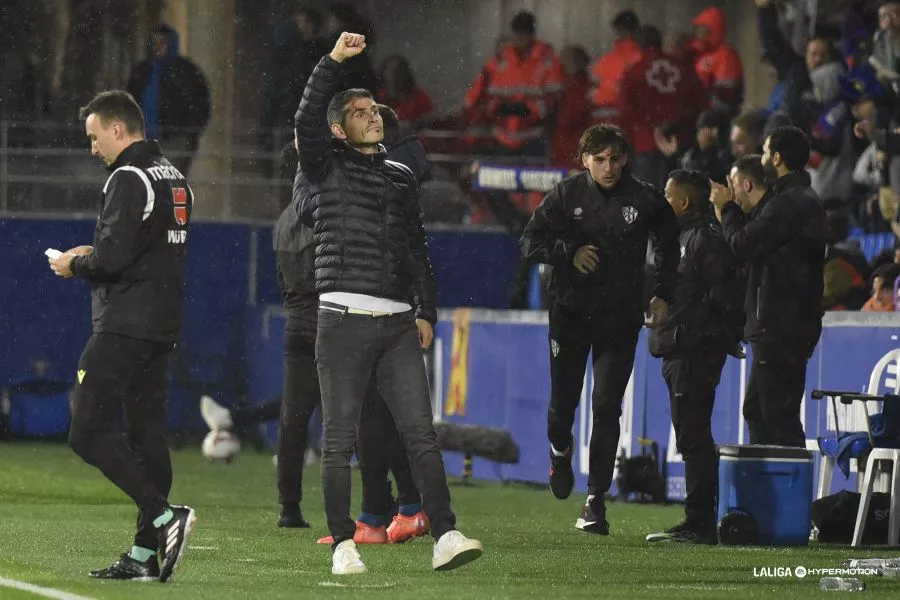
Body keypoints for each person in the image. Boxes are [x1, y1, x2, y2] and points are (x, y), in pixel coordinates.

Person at [294, 32, 482, 575]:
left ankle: (445, 533)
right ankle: (344, 544)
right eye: (359, 113)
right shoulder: (323, 165)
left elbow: (415, 250)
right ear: (337, 129)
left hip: (398, 322)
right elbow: (307, 116)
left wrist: (426, 310)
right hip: (343, 319)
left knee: (420, 433)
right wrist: (333, 61)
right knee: (339, 440)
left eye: (373, 109)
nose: (372, 116)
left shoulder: (401, 176)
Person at [202, 130, 430, 544]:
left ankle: (291, 507)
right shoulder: (335, 214)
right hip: (339, 322)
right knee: (369, 419)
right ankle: (399, 505)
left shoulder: (282, 225)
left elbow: (284, 280)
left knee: (295, 416)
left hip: (299, 325)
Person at [47, 90, 195, 582]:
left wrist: (74, 263)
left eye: (95, 137)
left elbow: (111, 260)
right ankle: (144, 555)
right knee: (147, 436)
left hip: (125, 324)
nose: (93, 148)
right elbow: (144, 250)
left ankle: (163, 516)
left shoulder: (129, 176)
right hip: (161, 325)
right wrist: (97, 253)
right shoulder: (173, 176)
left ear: (117, 129)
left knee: (86, 430)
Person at [519, 123, 679, 534]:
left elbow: (668, 242)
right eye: (600, 159)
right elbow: (529, 241)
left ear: (625, 160)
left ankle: (595, 500)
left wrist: (662, 293)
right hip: (570, 313)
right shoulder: (566, 194)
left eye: (615, 159)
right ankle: (560, 451)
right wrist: (568, 253)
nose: (608, 167)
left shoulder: (644, 198)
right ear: (585, 160)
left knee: (607, 405)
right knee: (563, 406)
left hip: (620, 319)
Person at [645, 170, 743, 544]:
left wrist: (695, 331)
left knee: (694, 435)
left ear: (684, 202)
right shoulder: (678, 238)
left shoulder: (704, 239)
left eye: (668, 195)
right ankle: (698, 519)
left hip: (693, 350)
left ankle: (699, 522)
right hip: (676, 347)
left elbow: (726, 296)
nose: (662, 200)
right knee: (691, 433)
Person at [710, 130, 825, 448]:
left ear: (777, 158)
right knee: (758, 411)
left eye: (764, 151)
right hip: (784, 323)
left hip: (781, 324)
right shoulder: (793, 200)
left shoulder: (790, 203)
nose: (761, 158)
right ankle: (769, 479)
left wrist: (729, 209)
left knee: (777, 416)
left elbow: (742, 244)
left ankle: (790, 480)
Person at [126, 24, 210, 176]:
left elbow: (200, 105)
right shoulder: (142, 71)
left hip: (174, 141)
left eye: (162, 42)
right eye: (154, 42)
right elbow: (128, 101)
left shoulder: (186, 72)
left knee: (170, 182)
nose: (157, 47)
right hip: (143, 140)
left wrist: (188, 134)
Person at [588, 9, 642, 125]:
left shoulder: (606, 60)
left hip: (604, 115)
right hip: (631, 117)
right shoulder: (642, 58)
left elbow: (592, 87)